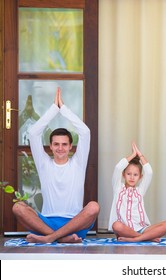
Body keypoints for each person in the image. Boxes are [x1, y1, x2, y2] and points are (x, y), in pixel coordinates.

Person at [12, 87, 100, 244]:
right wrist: (54, 109)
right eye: (56, 144)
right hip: (47, 223)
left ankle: (51, 238)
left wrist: (63, 109)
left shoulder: (78, 163)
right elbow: (33, 133)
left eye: (64, 144)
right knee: (18, 207)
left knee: (93, 207)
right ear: (50, 146)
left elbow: (85, 133)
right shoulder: (44, 163)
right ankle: (60, 238)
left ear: (70, 147)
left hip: (75, 224)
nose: (60, 148)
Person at [108, 142, 166, 242]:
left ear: (140, 177)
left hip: (142, 229)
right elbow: (118, 168)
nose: (132, 177)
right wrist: (133, 155)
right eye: (129, 174)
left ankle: (136, 238)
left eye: (135, 175)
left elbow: (149, 172)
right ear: (123, 175)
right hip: (124, 230)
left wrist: (140, 154)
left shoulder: (140, 191)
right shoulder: (118, 188)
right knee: (116, 225)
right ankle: (146, 238)